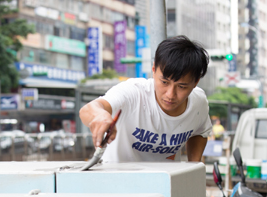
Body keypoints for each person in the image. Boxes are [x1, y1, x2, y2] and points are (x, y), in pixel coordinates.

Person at [79, 35, 212, 163]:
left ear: (195, 83)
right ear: (153, 69)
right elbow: (88, 109)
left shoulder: (198, 103)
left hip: (166, 181)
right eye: (164, 82)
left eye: (182, 86)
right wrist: (100, 116)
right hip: (118, 178)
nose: (170, 94)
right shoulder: (133, 92)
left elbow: (200, 132)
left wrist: (194, 168)